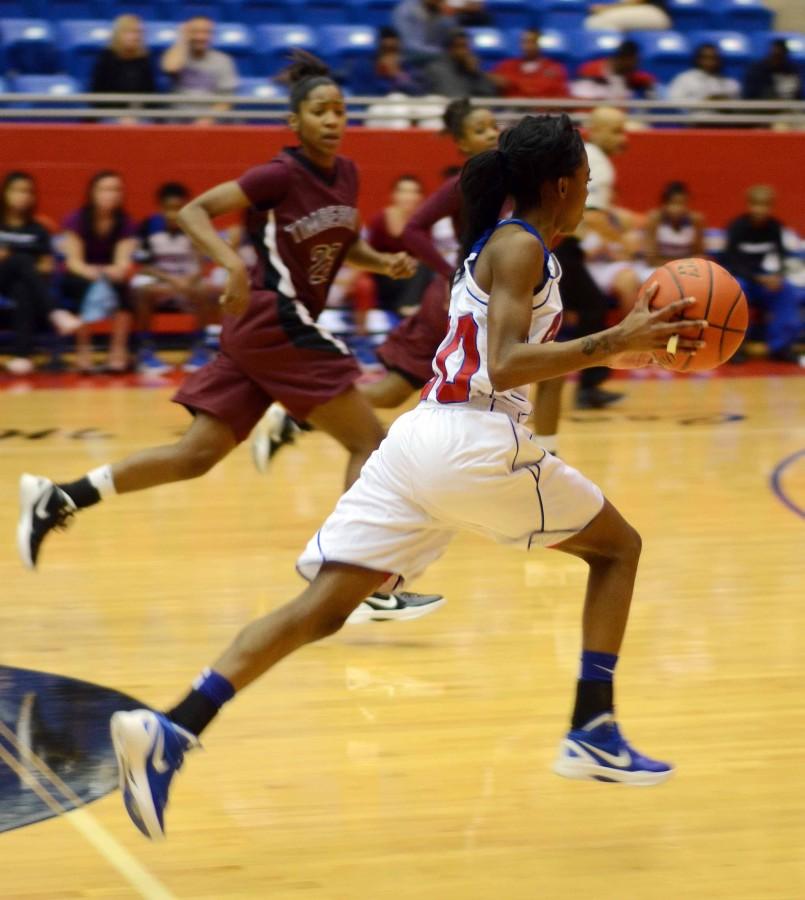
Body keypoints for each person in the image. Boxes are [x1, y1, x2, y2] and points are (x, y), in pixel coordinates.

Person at [109, 113, 707, 841]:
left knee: (323, 608)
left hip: (419, 443)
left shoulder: (507, 242)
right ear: (563, 182)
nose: (590, 192)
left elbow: (513, 353)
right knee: (618, 549)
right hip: (475, 441)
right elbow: (508, 363)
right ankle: (592, 728)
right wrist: (613, 341)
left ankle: (170, 728)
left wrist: (618, 353)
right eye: (586, 178)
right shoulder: (520, 246)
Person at [18, 53, 443, 625]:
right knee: (370, 443)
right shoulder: (277, 174)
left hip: (261, 334)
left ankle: (60, 496)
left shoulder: (347, 174)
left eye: (340, 109)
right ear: (294, 121)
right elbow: (195, 213)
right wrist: (230, 264)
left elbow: (339, 241)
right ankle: (353, 576)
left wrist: (378, 261)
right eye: (319, 110)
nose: (333, 119)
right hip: (275, 318)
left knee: (195, 456)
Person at [251, 98, 501, 464]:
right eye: (480, 130)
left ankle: (296, 415)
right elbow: (414, 229)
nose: (493, 133)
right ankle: (298, 412)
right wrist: (452, 273)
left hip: (486, 297)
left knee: (396, 392)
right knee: (396, 391)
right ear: (462, 144)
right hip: (456, 299)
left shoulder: (509, 178)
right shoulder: (466, 182)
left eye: (494, 125)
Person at [554, 106, 633, 409]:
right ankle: (588, 387)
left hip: (558, 245)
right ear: (594, 130)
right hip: (560, 246)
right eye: (615, 130)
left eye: (623, 129)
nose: (622, 138)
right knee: (593, 308)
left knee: (588, 309)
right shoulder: (596, 161)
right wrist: (622, 242)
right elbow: (595, 216)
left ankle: (588, 384)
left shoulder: (581, 156)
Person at [131, 182, 220, 375]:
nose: (173, 214)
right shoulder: (148, 227)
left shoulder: (196, 226)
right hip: (160, 282)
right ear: (160, 208)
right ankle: (146, 350)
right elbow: (143, 266)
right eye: (168, 209)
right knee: (141, 290)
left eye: (178, 208)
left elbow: (202, 264)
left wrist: (189, 280)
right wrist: (171, 281)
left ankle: (201, 348)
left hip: (188, 282)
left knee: (207, 291)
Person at [0, 172, 80, 374]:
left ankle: (22, 357)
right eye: (17, 190)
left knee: (23, 289)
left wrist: (38, 265)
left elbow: (46, 265)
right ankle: (55, 312)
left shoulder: (37, 229)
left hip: (23, 283)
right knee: (22, 260)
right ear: (5, 194)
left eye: (27, 191)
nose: (22, 196)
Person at [61, 171, 137, 373]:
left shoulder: (126, 223)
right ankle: (83, 351)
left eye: (115, 190)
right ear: (92, 193)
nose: (110, 194)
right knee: (81, 286)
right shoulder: (76, 219)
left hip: (109, 276)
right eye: (105, 189)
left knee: (124, 289)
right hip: (81, 275)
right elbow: (73, 262)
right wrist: (93, 273)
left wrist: (112, 272)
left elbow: (122, 262)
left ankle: (117, 352)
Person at [724, 185, 802, 364]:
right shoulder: (737, 227)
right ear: (749, 205)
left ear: (771, 207)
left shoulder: (775, 228)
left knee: (787, 290)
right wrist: (758, 278)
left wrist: (778, 275)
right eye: (756, 205)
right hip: (743, 280)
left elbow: (782, 257)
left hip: (766, 282)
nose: (760, 210)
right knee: (737, 290)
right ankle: (734, 347)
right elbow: (732, 263)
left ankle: (781, 347)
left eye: (765, 205)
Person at [161, 17, 238, 126]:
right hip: (179, 119)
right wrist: (181, 39)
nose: (200, 37)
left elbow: (226, 101)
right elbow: (170, 68)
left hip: (212, 121)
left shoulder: (224, 60)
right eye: (195, 32)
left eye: (206, 32)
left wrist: (207, 120)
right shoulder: (178, 55)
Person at [89, 14, 157, 124]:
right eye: (130, 32)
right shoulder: (106, 58)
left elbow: (151, 96)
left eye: (138, 32)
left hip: (140, 115)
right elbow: (96, 96)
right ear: (118, 35)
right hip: (109, 114)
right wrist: (120, 115)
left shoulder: (144, 59)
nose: (136, 36)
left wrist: (135, 114)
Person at [492, 28, 570, 101]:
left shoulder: (555, 69)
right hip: (512, 111)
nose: (527, 46)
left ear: (540, 44)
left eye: (532, 42)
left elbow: (560, 95)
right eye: (524, 42)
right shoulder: (506, 66)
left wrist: (515, 83)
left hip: (543, 112)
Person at [422, 30, 499, 98]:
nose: (465, 51)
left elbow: (488, 97)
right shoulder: (436, 69)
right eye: (460, 46)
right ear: (449, 49)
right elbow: (452, 97)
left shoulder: (472, 69)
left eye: (467, 47)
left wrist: (476, 74)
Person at [572, 39, 656, 103]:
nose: (635, 65)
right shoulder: (590, 70)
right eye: (631, 61)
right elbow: (579, 98)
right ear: (621, 58)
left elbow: (651, 94)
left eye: (637, 61)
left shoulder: (636, 77)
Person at [348, 27, 422, 96]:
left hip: (406, 105)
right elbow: (360, 92)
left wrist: (398, 76)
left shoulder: (407, 66)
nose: (390, 54)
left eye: (393, 49)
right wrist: (385, 78)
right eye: (386, 49)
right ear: (379, 47)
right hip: (375, 105)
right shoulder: (363, 66)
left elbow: (419, 92)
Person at [644, 181, 704, 267]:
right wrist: (675, 267)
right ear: (664, 204)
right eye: (673, 203)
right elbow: (650, 259)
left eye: (682, 203)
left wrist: (684, 267)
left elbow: (699, 255)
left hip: (687, 268)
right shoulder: (654, 219)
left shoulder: (696, 221)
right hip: (658, 267)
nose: (678, 208)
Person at [667, 44, 740, 114]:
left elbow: (739, 105)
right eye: (705, 57)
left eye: (714, 58)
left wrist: (725, 102)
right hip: (693, 123)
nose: (710, 62)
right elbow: (674, 102)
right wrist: (704, 102)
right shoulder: (684, 79)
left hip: (726, 123)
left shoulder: (730, 83)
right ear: (697, 59)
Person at [393, 0, 456, 67]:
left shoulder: (438, 10)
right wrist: (443, 54)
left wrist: (447, 17)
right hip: (413, 58)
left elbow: (449, 39)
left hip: (437, 56)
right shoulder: (406, 10)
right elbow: (410, 46)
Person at [743, 39, 803, 104]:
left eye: (780, 55)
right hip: (762, 107)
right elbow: (751, 93)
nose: (777, 59)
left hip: (788, 107)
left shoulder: (791, 69)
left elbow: (798, 94)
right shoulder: (757, 69)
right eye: (775, 54)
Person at [584, 0, 671, 31]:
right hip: (643, 11)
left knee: (596, 22)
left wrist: (606, 9)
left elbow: (637, 1)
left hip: (655, 13)